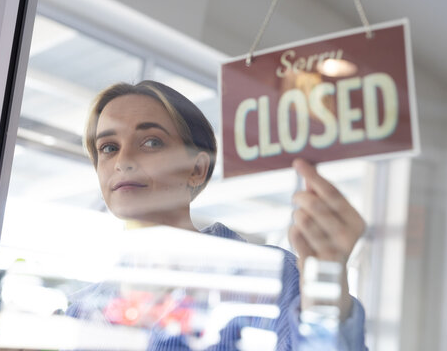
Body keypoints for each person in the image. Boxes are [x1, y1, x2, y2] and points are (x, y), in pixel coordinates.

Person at [71, 80, 367, 350]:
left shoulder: (276, 280)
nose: (123, 161)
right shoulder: (82, 311)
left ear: (197, 169)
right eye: (108, 147)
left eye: (151, 142)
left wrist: (326, 282)